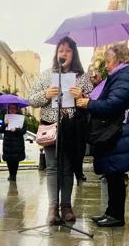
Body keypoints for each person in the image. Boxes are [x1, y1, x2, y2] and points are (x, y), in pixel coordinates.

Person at [27, 36, 93, 225]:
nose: (63, 53)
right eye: (60, 50)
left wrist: (82, 96)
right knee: (53, 168)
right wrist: (46, 94)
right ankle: (52, 208)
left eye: (68, 50)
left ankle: (66, 207)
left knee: (68, 168)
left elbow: (91, 101)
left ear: (74, 53)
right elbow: (31, 99)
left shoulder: (82, 77)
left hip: (73, 127)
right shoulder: (47, 75)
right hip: (51, 126)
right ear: (56, 53)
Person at [76, 42, 129, 227]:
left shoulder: (124, 77)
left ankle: (116, 216)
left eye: (108, 61)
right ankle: (111, 212)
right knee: (113, 175)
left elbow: (113, 104)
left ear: (120, 60)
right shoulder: (121, 76)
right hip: (117, 132)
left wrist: (88, 103)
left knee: (116, 175)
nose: (106, 65)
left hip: (119, 133)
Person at [1, 103, 26, 183]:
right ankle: (10, 174)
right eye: (10, 108)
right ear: (8, 109)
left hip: (17, 144)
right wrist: (5, 124)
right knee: (8, 160)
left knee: (15, 160)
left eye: (14, 108)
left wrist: (16, 130)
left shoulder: (21, 118)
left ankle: (13, 175)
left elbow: (24, 131)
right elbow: (0, 130)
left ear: (16, 109)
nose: (12, 109)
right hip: (8, 144)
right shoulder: (6, 118)